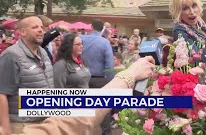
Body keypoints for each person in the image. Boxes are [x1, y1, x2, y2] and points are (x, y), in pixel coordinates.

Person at [6, 56, 156, 135]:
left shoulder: (80, 63)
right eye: (77, 44)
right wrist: (128, 76)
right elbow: (63, 127)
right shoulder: (61, 65)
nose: (81, 47)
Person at [0, 16, 54, 135]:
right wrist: (5, 128)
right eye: (35, 27)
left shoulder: (43, 52)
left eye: (41, 27)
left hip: (45, 123)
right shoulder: (11, 55)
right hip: (22, 125)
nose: (41, 30)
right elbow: (1, 94)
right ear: (23, 32)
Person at [80, 19, 114, 135]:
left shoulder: (81, 39)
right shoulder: (104, 42)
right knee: (103, 107)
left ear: (91, 27)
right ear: (102, 28)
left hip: (82, 77)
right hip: (100, 79)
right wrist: (110, 81)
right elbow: (109, 65)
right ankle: (106, 132)